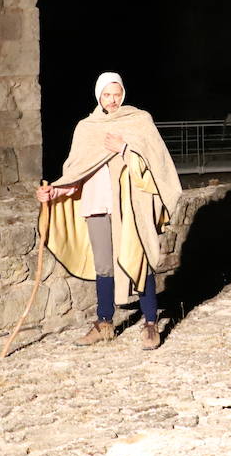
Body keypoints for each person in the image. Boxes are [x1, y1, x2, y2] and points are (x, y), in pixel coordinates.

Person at [35, 72, 182, 350]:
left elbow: (155, 166)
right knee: (103, 266)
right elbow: (76, 174)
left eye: (116, 94)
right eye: (107, 95)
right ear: (98, 96)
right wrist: (54, 191)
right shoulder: (86, 128)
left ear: (123, 94)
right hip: (97, 205)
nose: (112, 100)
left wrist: (124, 148)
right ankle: (104, 324)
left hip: (129, 206)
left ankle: (151, 323)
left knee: (139, 259)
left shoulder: (138, 121)